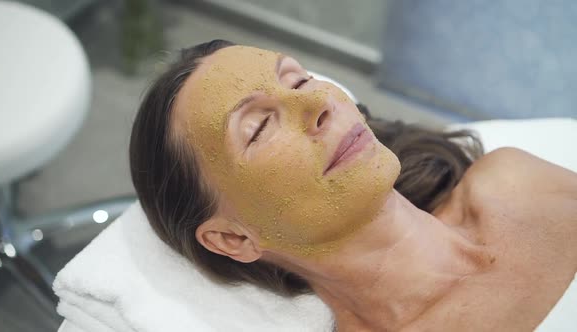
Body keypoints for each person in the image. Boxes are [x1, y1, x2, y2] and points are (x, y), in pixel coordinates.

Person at [129, 40, 577, 331]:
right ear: (232, 237)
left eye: (300, 79)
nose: (316, 101)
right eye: (260, 126)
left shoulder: (513, 182)